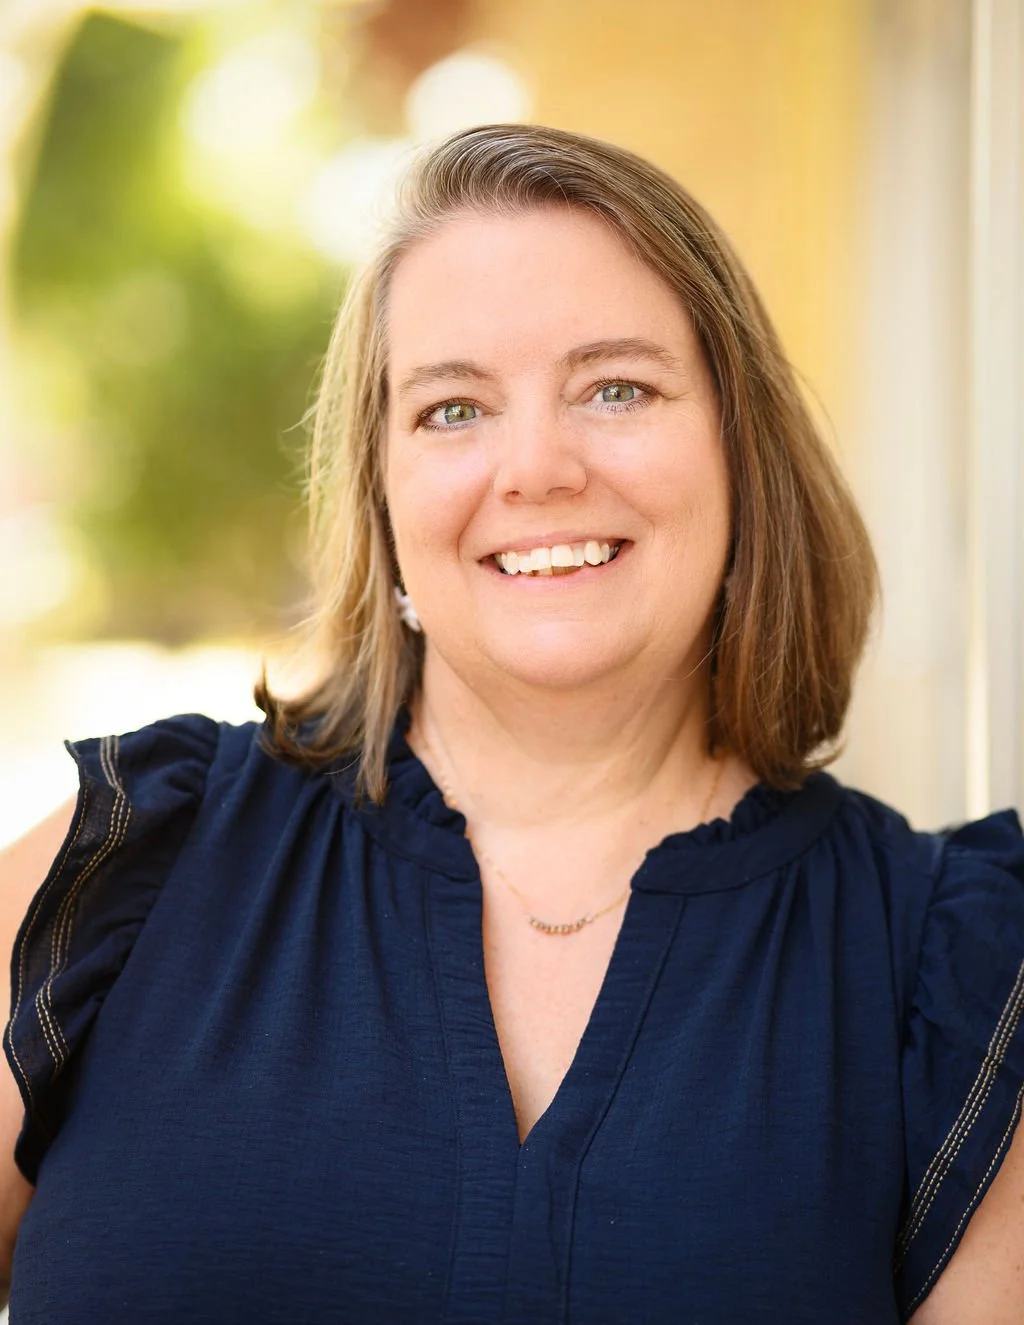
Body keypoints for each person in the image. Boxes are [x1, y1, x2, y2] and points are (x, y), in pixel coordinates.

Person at [0, 123, 1021, 1324]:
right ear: (381, 494)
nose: (535, 466)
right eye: (451, 410)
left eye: (616, 387)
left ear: (743, 454)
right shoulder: (137, 863)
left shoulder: (950, 971)